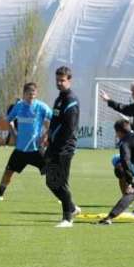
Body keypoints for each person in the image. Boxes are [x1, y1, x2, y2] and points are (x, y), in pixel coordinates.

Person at [0, 83, 52, 201]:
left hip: (36, 149)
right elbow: (9, 120)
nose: (31, 96)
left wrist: (45, 136)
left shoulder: (42, 107)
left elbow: (53, 121)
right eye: (28, 94)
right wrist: (14, 135)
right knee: (8, 171)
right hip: (20, 150)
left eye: (33, 94)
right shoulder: (19, 106)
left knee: (51, 172)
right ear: (24, 94)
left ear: (36, 94)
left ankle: (62, 197)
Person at [45, 66, 81, 228]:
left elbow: (69, 128)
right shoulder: (59, 98)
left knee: (60, 183)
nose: (59, 83)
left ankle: (68, 218)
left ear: (69, 80)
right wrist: (48, 139)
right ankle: (72, 207)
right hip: (54, 146)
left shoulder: (71, 100)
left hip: (64, 148)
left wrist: (59, 147)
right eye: (57, 80)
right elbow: (54, 122)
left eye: (62, 80)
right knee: (51, 182)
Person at [98, 120, 134, 225]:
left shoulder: (124, 143)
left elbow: (126, 161)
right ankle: (110, 217)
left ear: (119, 132)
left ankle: (109, 218)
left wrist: (129, 182)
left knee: (131, 193)